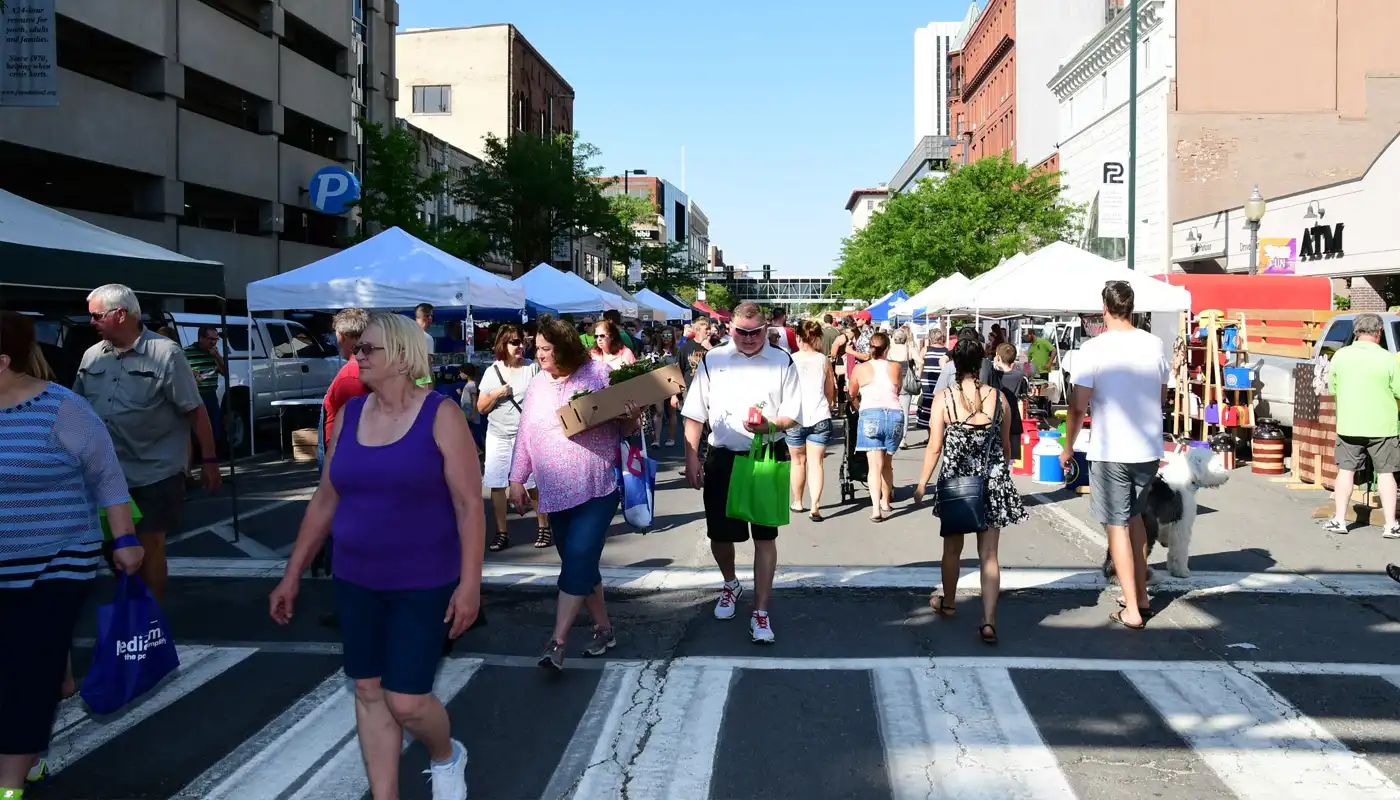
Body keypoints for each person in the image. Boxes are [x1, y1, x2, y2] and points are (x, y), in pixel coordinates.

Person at [270, 312, 482, 800]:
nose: (357, 355)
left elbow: (469, 506)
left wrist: (470, 584)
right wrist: (292, 573)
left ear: (403, 357)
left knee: (405, 701)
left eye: (368, 349)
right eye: (357, 348)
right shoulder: (350, 414)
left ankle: (447, 753)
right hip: (355, 578)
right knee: (368, 691)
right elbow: (326, 498)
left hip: (423, 581)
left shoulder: (441, 415)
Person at [0, 311, 144, 796]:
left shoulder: (62, 409)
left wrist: (124, 540)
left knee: (27, 665)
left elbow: (107, 476)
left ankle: (8, 785)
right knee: (15, 667)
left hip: (57, 558)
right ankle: (32, 740)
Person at [74, 284, 220, 604]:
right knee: (115, 547)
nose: (92, 322)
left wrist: (209, 460)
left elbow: (195, 410)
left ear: (121, 314)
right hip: (105, 474)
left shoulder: (166, 353)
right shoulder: (92, 356)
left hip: (154, 471)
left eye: (97, 315)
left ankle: (149, 619)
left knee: (149, 544)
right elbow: (78, 412)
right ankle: (131, 603)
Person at [510, 319, 643, 670]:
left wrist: (633, 417)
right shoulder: (537, 383)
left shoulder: (598, 374)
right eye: (536, 347)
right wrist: (516, 478)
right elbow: (526, 433)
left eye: (545, 349)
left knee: (578, 560)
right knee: (579, 564)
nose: (536, 354)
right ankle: (604, 630)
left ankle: (557, 642)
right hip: (552, 490)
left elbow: (626, 427)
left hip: (595, 485)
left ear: (565, 348)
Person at [682, 302, 802, 644]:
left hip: (766, 453)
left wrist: (769, 425)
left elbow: (793, 414)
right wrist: (691, 455)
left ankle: (761, 611)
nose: (749, 339)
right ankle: (730, 583)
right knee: (720, 534)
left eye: (755, 332)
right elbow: (694, 413)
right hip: (722, 457)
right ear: (730, 329)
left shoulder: (782, 360)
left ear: (767, 329)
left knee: (765, 536)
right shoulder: (713, 359)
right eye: (741, 332)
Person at [1061, 281, 1175, 630]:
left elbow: (1078, 406)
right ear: (1132, 308)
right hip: (1147, 447)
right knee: (1136, 520)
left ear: (1105, 309)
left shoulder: (1093, 349)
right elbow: (1160, 396)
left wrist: (1068, 446)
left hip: (1112, 448)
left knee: (1117, 526)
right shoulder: (1154, 344)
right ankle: (1139, 594)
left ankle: (1133, 608)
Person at [914, 335, 1025, 644]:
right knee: (989, 555)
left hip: (956, 483)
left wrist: (923, 483)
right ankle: (988, 621)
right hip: (991, 482)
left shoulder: (944, 399)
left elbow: (934, 447)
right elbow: (1005, 447)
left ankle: (948, 603)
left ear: (954, 362)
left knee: (952, 550)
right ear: (980, 364)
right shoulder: (999, 397)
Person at [1322, 312, 1400, 536]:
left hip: (1350, 424)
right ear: (1379, 332)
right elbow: (1399, 390)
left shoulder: (1341, 356)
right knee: (1386, 474)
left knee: (1345, 472)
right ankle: (1390, 525)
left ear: (1356, 332)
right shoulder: (1388, 358)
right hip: (1382, 426)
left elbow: (1333, 388)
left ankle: (1340, 520)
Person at [477, 325, 547, 551]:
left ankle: (543, 527)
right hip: (498, 435)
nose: (520, 346)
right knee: (497, 484)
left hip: (525, 436)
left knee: (532, 483)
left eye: (521, 341)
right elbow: (481, 408)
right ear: (502, 345)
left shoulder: (532, 369)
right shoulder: (492, 372)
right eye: (514, 342)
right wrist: (497, 393)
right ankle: (501, 533)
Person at [848, 332, 904, 521]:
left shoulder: (861, 368)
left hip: (871, 413)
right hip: (894, 414)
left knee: (874, 466)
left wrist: (856, 404)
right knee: (887, 464)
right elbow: (898, 389)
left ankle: (875, 509)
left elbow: (852, 392)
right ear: (887, 348)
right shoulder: (895, 367)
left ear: (870, 349)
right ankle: (886, 501)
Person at [787, 320, 836, 521]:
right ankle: (815, 505)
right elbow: (829, 390)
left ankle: (798, 501)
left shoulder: (789, 360)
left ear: (798, 338)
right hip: (819, 415)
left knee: (798, 462)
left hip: (795, 417)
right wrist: (830, 404)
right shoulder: (823, 360)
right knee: (816, 463)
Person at [322, 308, 371, 468]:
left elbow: (353, 424)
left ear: (344, 336)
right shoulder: (363, 368)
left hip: (345, 459)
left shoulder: (352, 374)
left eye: (337, 334)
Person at [184, 325, 226, 455]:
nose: (213, 342)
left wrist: (217, 357)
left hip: (211, 395)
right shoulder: (186, 352)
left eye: (216, 339)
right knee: (194, 432)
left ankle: (210, 459)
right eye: (210, 339)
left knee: (214, 431)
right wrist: (190, 374)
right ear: (201, 338)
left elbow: (225, 372)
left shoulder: (214, 352)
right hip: (195, 396)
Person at [889, 325, 922, 446]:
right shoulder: (909, 349)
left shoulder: (890, 350)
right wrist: (918, 374)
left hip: (891, 381)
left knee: (891, 410)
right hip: (905, 383)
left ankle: (892, 436)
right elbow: (920, 361)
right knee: (905, 412)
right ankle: (903, 439)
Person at [992, 343, 1028, 443]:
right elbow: (1022, 398)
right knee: (1012, 456)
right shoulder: (1020, 376)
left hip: (997, 418)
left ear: (998, 357)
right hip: (1014, 418)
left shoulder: (994, 375)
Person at [916, 328, 950, 431]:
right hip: (941, 380)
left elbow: (920, 363)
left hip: (927, 380)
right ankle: (938, 429)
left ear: (931, 338)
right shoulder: (946, 351)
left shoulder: (926, 349)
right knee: (939, 403)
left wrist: (919, 376)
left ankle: (930, 432)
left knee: (928, 404)